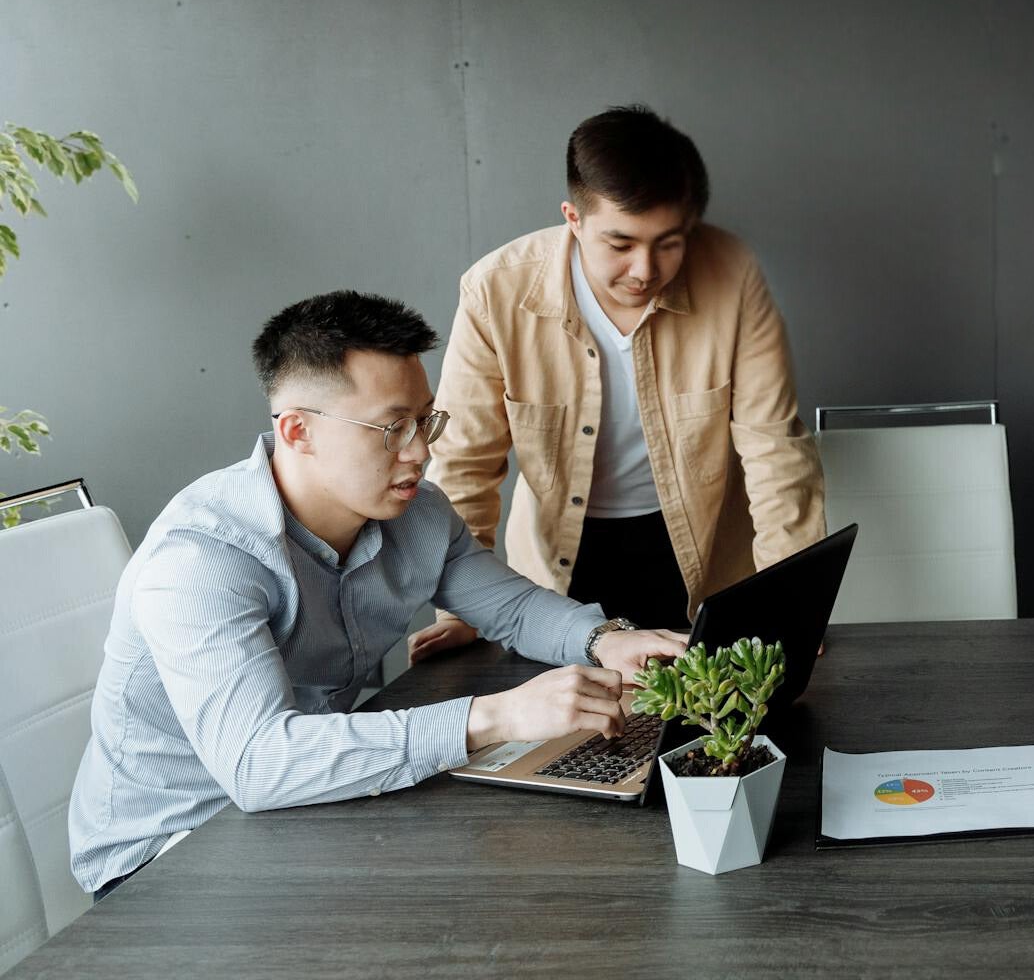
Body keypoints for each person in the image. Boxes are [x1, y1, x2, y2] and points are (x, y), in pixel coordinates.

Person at [69, 291, 686, 897]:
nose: (421, 452)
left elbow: (515, 608)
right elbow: (257, 764)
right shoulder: (201, 560)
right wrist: (496, 716)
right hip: (167, 857)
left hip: (305, 809)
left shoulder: (416, 515)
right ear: (297, 431)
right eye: (392, 428)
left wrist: (607, 640)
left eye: (425, 420)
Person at [407, 105, 825, 662]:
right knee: (571, 736)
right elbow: (464, 463)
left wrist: (789, 602)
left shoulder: (733, 273)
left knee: (710, 731)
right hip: (557, 566)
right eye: (620, 243)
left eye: (670, 242)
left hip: (697, 555)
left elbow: (775, 448)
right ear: (573, 219)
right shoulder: (495, 291)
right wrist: (464, 608)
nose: (645, 270)